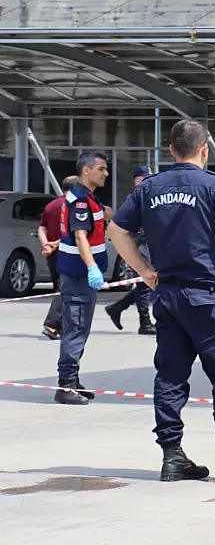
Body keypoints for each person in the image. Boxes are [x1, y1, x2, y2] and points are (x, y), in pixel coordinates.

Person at [106, 120, 215, 484]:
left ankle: (172, 456)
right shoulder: (214, 185)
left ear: (170, 151)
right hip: (207, 297)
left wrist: (144, 270)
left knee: (170, 376)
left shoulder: (149, 188)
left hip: (167, 295)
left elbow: (116, 230)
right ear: (204, 150)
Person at [54, 153, 112, 406]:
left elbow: (103, 215)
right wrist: (92, 268)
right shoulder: (80, 201)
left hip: (80, 277)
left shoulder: (88, 198)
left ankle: (72, 380)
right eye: (101, 169)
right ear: (86, 171)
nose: (106, 173)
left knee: (80, 329)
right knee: (75, 330)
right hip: (78, 276)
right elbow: (80, 237)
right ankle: (66, 385)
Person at [105, 166, 156, 335]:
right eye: (145, 179)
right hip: (139, 244)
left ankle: (117, 307)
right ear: (137, 180)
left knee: (147, 282)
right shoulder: (134, 197)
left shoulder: (146, 196)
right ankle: (145, 322)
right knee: (144, 284)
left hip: (149, 244)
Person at [38, 175, 79, 341]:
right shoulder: (74, 205)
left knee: (59, 286)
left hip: (52, 254)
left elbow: (42, 227)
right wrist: (55, 244)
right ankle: (51, 323)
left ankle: (61, 327)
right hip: (68, 251)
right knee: (65, 288)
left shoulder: (51, 205)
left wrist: (46, 244)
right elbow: (74, 232)